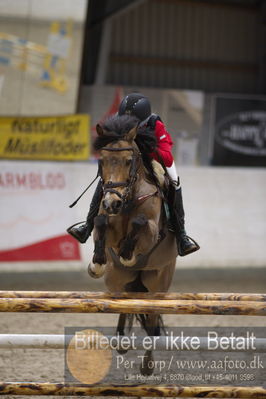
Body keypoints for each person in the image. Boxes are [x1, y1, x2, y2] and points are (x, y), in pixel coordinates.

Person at [67, 93, 199, 256]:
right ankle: (87, 226)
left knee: (174, 182)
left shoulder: (154, 123)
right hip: (124, 162)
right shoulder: (116, 120)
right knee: (107, 181)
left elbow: (167, 154)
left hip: (151, 159)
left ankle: (181, 235)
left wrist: (147, 148)